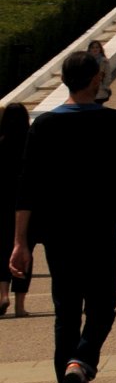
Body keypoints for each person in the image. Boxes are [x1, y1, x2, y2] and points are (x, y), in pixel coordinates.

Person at [11, 51, 116, 383]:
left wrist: (20, 242)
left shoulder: (45, 126)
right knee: (103, 305)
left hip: (58, 235)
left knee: (65, 314)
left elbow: (27, 189)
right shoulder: (114, 122)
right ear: (95, 80)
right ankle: (80, 365)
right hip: (99, 230)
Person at [0, 102, 32, 317]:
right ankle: (20, 305)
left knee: (2, 249)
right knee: (24, 250)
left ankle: (3, 294)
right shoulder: (31, 143)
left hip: (2, 203)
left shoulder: (0, 144)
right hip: (26, 204)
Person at [84, 42, 113, 107]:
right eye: (93, 47)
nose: (95, 49)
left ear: (100, 49)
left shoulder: (104, 61)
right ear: (89, 49)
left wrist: (105, 86)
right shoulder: (85, 61)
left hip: (100, 89)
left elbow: (107, 75)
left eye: (97, 47)